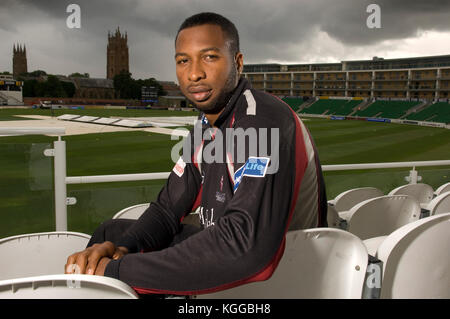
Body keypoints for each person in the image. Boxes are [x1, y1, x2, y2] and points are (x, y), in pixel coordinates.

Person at [65, 12, 327, 296]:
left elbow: (245, 247)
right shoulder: (206, 125)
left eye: (210, 57)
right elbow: (167, 210)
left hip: (284, 270)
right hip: (225, 243)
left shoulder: (263, 119)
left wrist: (114, 271)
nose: (194, 74)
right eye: (183, 60)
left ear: (238, 62)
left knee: (114, 268)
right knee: (111, 236)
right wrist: (124, 249)